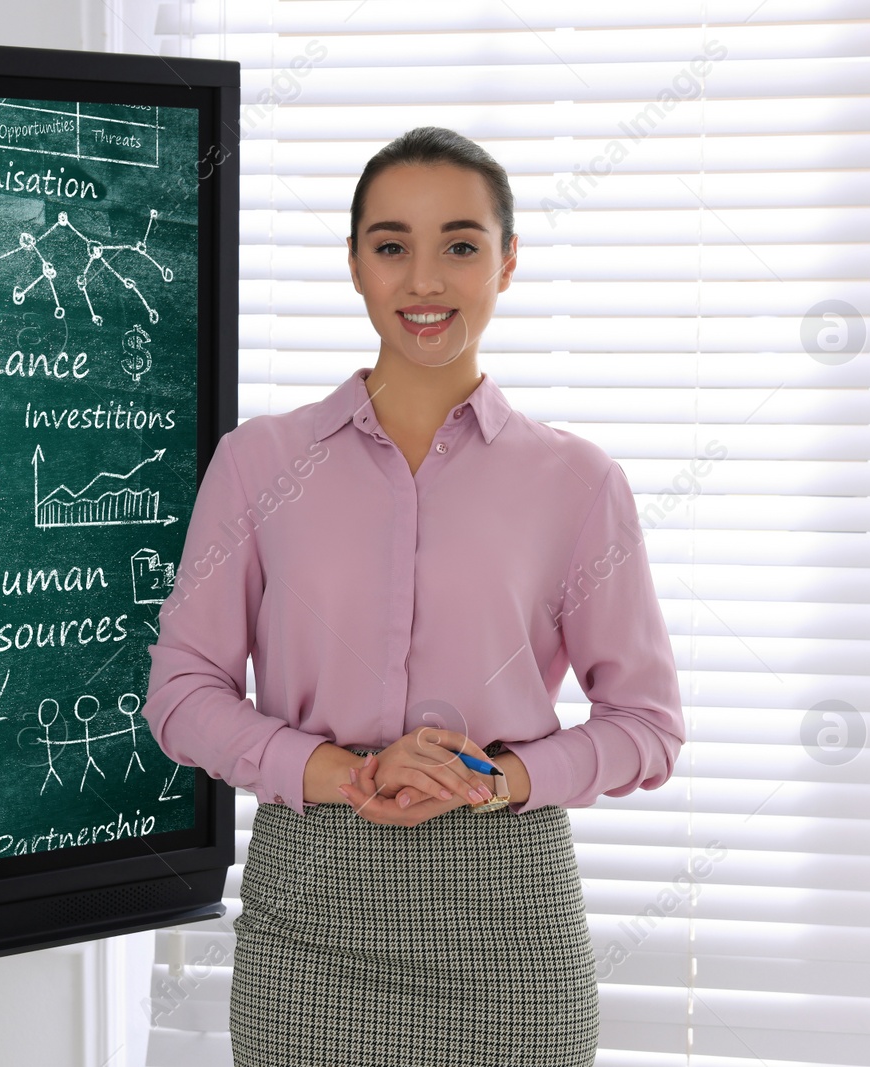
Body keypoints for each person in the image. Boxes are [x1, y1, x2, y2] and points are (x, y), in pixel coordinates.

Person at [141, 126, 685, 1067]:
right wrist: (341, 773)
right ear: (354, 264)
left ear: (507, 263)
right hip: (311, 912)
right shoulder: (259, 463)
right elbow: (182, 694)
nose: (424, 280)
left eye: (461, 246)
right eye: (392, 246)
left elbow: (647, 724)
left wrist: (492, 777)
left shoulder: (578, 480)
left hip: (509, 920)